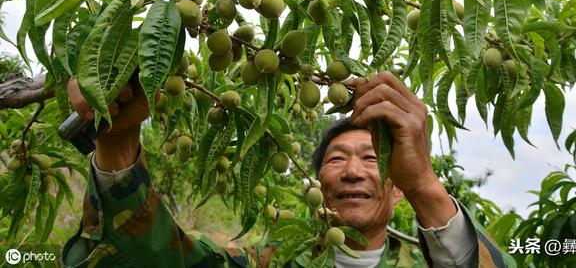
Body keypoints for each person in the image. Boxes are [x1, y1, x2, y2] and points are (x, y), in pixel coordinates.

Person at [62, 71, 514, 267]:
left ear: (398, 190)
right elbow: (153, 264)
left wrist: (426, 186)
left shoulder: (434, 261)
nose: (353, 171)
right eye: (336, 159)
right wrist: (117, 141)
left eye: (373, 160)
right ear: (317, 184)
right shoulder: (269, 262)